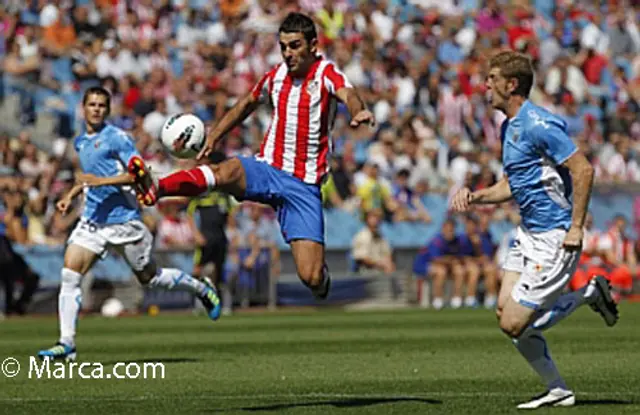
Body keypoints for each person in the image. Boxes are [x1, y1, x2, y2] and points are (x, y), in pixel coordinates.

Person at [128, 13, 374, 300]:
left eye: (295, 46)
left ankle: (321, 280)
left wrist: (358, 111)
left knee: (311, 276)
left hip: (303, 186)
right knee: (225, 172)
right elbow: (246, 103)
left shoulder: (326, 73)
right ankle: (159, 187)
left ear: (313, 46)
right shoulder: (276, 76)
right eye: (283, 46)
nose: (288, 53)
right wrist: (215, 135)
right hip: (267, 168)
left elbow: (348, 93)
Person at [451, 50, 618, 409]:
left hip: (554, 237)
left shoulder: (540, 124)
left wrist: (576, 228)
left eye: (492, 79)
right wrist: (476, 196)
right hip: (526, 234)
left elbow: (584, 170)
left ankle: (589, 293)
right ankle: (558, 389)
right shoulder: (508, 126)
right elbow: (512, 183)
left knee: (514, 324)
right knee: (503, 313)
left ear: (511, 85)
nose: (485, 86)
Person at [37, 87, 221, 362]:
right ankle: (67, 343)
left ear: (108, 110)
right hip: (93, 221)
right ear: (83, 108)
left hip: (124, 221)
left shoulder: (117, 138)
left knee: (151, 278)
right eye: (92, 104)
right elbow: (86, 177)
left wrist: (102, 182)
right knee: (70, 274)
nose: (97, 109)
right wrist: (70, 196)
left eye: (102, 105)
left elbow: (139, 172)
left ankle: (201, 288)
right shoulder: (80, 142)